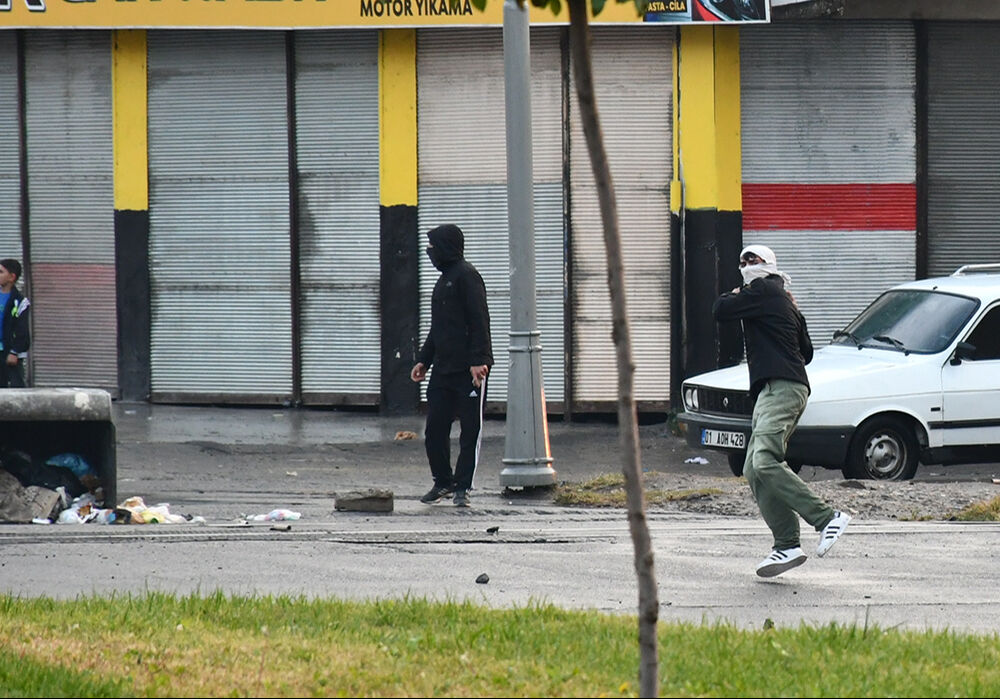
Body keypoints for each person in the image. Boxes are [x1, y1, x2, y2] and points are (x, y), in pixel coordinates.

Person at [712, 244, 850, 577]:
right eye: (742, 260)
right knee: (753, 468)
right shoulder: (782, 299)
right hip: (776, 388)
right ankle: (786, 545)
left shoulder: (762, 289)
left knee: (764, 460)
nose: (746, 264)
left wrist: (738, 291)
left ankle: (827, 517)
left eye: (753, 260)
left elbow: (720, 309)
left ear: (768, 266)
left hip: (782, 388)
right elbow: (807, 351)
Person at [410, 224, 493, 508]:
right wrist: (424, 359)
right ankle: (442, 481)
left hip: (469, 371)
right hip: (443, 369)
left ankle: (463, 486)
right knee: (435, 428)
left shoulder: (467, 277)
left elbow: (479, 320)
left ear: (446, 246)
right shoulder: (443, 280)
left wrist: (478, 361)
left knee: (470, 430)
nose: (430, 252)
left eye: (433, 246)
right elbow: (438, 328)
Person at [0, 258, 30, 388]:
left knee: (15, 389)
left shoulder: (20, 302)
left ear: (12, 277)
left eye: (1, 272)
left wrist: (14, 352)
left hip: (10, 354)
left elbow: (22, 330)